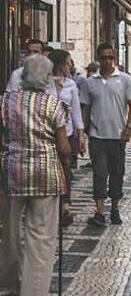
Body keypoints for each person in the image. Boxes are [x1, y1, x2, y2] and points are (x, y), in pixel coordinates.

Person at [0, 53, 70, 296]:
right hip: (45, 177)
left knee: (10, 231)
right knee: (40, 235)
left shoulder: (6, 102)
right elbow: (63, 147)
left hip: (12, 175)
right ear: (46, 78)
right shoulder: (54, 104)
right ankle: (34, 290)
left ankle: (11, 280)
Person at [79, 43, 131, 227]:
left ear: (115, 58)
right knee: (99, 173)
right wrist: (83, 132)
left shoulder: (125, 79)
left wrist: (129, 127)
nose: (107, 61)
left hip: (118, 136)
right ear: (98, 58)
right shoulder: (89, 82)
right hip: (97, 136)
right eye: (104, 57)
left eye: (110, 57)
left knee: (117, 173)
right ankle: (99, 211)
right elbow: (86, 109)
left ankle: (115, 207)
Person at [48, 49, 86, 227]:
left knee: (66, 171)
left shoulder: (70, 84)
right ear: (60, 64)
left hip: (67, 132)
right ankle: (51, 207)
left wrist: (81, 133)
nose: (70, 66)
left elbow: (77, 109)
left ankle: (65, 207)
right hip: (47, 134)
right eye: (68, 62)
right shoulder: (45, 83)